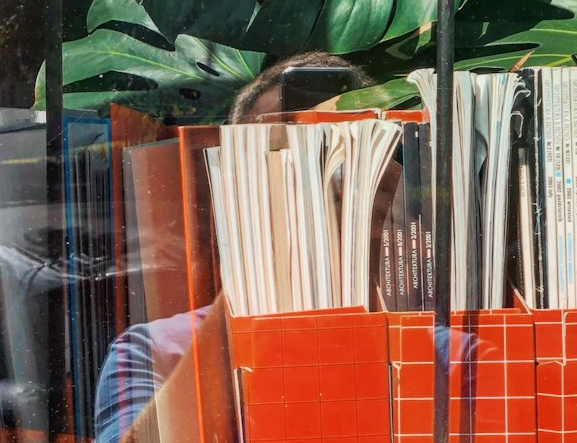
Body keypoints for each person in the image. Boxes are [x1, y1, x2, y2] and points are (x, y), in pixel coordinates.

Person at [94, 53, 372, 443]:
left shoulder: (431, 341)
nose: (314, 188)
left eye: (336, 164)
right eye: (277, 161)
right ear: (235, 186)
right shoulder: (155, 351)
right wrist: (263, 257)